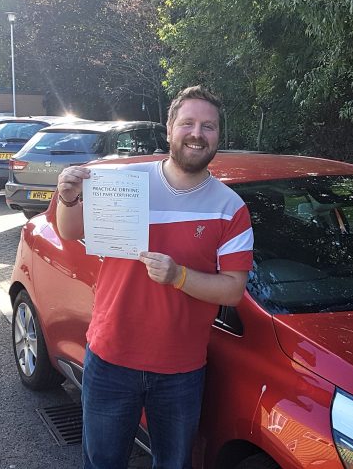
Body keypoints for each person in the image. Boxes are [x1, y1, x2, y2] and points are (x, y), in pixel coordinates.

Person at [55, 86, 254, 469]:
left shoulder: (231, 208)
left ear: (218, 136)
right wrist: (67, 198)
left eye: (208, 126)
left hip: (181, 370)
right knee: (102, 462)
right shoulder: (124, 183)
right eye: (188, 123)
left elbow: (232, 290)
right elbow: (68, 230)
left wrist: (179, 276)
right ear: (169, 129)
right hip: (111, 357)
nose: (197, 133)